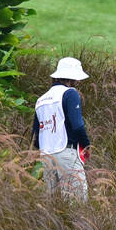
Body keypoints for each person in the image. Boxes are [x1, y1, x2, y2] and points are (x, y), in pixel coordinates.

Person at [33, 56, 91, 202]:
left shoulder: (41, 100)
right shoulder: (70, 93)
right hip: (66, 153)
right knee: (77, 203)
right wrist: (86, 145)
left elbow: (35, 138)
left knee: (53, 206)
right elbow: (77, 126)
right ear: (72, 78)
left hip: (46, 157)